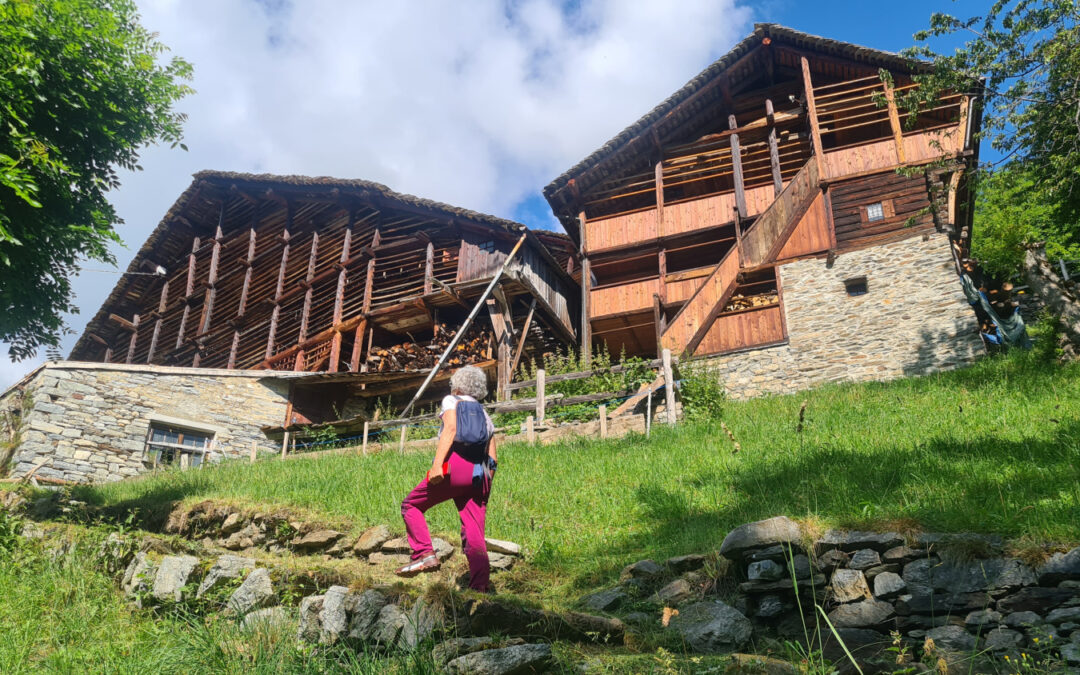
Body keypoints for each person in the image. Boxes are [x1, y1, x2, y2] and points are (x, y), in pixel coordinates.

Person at [396, 365, 497, 592]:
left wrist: (437, 466)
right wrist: (486, 484)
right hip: (479, 475)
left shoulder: (452, 401)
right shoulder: (483, 412)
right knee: (474, 530)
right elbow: (493, 456)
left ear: (458, 386)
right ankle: (479, 588)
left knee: (411, 505)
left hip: (455, 466)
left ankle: (424, 554)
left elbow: (450, 429)